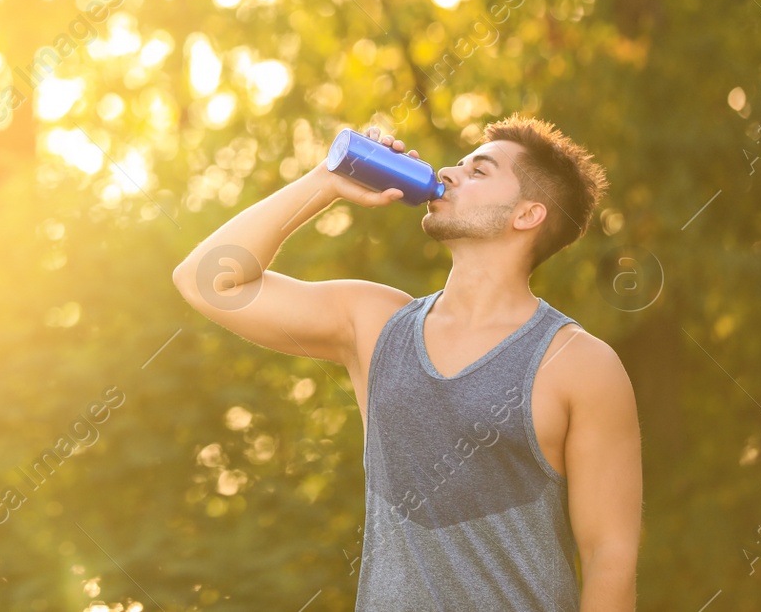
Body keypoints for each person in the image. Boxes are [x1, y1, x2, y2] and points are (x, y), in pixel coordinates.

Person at [171, 115, 641, 611]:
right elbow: (205, 280)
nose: (450, 173)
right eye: (457, 164)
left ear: (527, 215)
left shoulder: (579, 364)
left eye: (478, 171)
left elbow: (609, 556)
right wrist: (325, 181)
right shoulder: (375, 324)